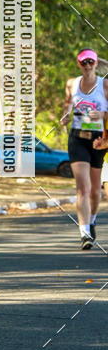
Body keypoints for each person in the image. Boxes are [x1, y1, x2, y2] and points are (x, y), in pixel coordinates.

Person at [61, 48, 108, 248]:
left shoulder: (105, 85)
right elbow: (67, 105)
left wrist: (102, 115)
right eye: (83, 62)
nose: (87, 65)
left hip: (99, 140)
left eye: (91, 62)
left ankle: (92, 220)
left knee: (95, 191)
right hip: (77, 138)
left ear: (96, 63)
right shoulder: (71, 84)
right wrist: (65, 117)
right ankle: (85, 233)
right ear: (79, 64)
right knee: (83, 188)